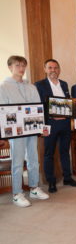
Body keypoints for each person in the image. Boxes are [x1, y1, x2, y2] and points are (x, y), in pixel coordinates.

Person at [0, 56, 49, 207]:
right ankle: (17, 193)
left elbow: (38, 109)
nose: (21, 68)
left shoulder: (31, 87)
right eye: (17, 65)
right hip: (15, 131)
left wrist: (42, 127)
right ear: (10, 67)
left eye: (23, 65)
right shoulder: (3, 87)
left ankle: (34, 187)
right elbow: (2, 112)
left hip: (31, 128)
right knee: (18, 160)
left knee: (34, 159)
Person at [35, 59, 76, 193]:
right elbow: (38, 106)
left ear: (59, 70)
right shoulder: (39, 85)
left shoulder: (64, 84)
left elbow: (65, 102)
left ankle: (67, 177)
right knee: (49, 153)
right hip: (50, 124)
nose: (53, 70)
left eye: (55, 68)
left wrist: (72, 103)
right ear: (45, 69)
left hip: (65, 123)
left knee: (65, 151)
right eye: (50, 68)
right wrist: (49, 116)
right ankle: (51, 181)